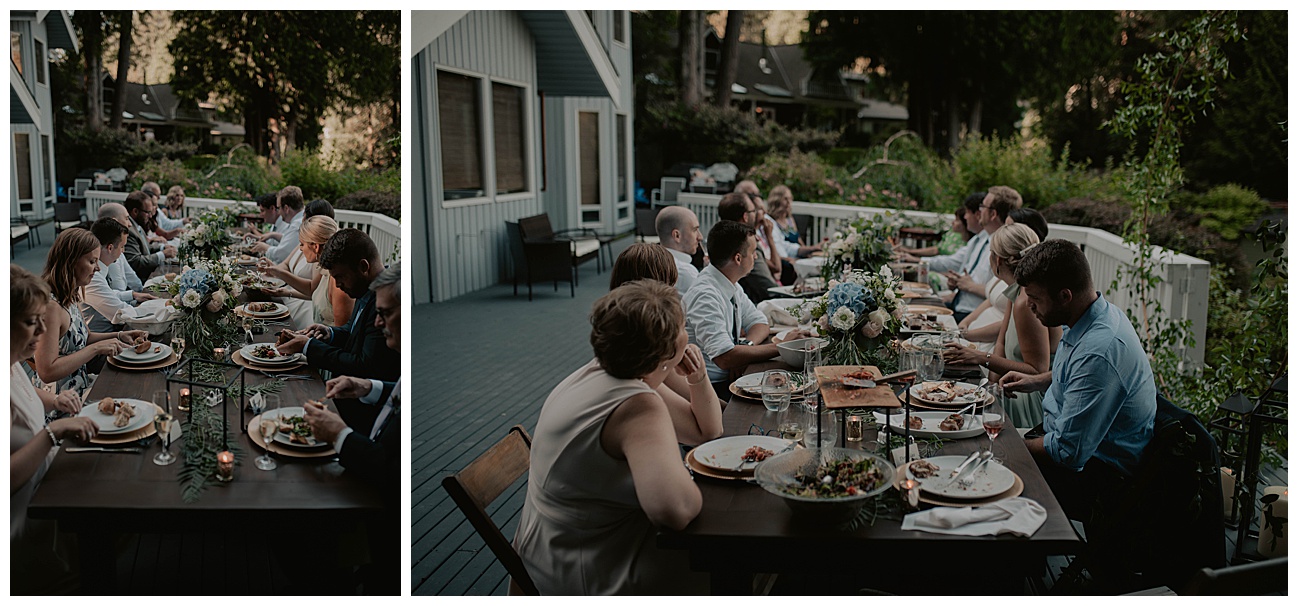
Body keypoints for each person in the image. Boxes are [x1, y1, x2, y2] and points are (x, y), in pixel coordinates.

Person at [514, 280, 709, 594]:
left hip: (543, 555)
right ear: (666, 350)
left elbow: (704, 431)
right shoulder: (640, 404)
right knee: (739, 561)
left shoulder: (590, 374)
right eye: (684, 326)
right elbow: (676, 510)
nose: (689, 333)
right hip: (589, 571)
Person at [998, 239, 1156, 520]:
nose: (1029, 307)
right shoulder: (1093, 314)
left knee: (988, 477)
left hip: (1098, 478)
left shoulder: (1100, 350)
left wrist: (1011, 444)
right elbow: (1076, 375)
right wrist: (1038, 381)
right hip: (1063, 441)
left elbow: (1068, 453)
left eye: (1035, 299)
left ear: (1065, 296)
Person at [304, 263, 400, 594]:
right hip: (368, 445)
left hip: (387, 522)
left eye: (386, 314)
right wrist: (367, 386)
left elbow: (387, 469)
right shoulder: (366, 294)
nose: (377, 322)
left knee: (306, 520)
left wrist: (338, 434)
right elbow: (398, 388)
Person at [11, 265, 101, 594]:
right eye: (30, 322)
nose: (40, 332)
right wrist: (53, 432)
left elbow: (22, 390)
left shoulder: (10, 363)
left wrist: (55, 401)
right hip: (25, 523)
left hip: (48, 485)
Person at [276, 228, 399, 430]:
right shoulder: (366, 288)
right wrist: (329, 333)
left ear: (363, 267)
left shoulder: (384, 305)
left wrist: (309, 347)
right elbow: (353, 329)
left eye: (340, 277)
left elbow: (364, 366)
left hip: (359, 417)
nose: (338, 284)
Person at [945, 224, 1061, 428]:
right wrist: (990, 391)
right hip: (1005, 387)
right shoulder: (1014, 288)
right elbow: (1001, 341)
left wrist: (981, 357)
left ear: (997, 260)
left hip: (1026, 401)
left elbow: (1037, 371)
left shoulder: (1027, 302)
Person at [608, 244, 723, 446]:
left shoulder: (624, 342)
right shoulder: (633, 370)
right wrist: (699, 374)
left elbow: (694, 399)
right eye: (670, 287)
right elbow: (707, 432)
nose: (676, 297)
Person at [684, 220, 807, 395]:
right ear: (738, 258)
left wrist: (745, 348)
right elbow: (724, 357)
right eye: (753, 252)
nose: (756, 257)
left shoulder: (728, 282)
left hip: (732, 378)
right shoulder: (706, 295)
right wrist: (783, 346)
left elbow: (759, 322)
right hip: (712, 388)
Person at [31, 229, 148, 395]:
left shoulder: (70, 294)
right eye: (92, 262)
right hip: (60, 402)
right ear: (71, 261)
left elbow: (86, 337)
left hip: (80, 386)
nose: (98, 269)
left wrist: (120, 336)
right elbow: (46, 372)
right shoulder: (50, 307)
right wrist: (96, 349)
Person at [941, 186, 1022, 322]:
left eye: (982, 206)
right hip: (958, 306)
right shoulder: (982, 238)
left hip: (973, 315)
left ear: (993, 214)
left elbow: (1005, 295)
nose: (979, 210)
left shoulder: (1005, 249)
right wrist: (957, 282)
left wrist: (970, 286)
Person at [260, 215, 353, 328]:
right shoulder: (324, 269)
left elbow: (342, 335)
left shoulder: (338, 283)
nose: (300, 248)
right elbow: (311, 290)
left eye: (302, 244)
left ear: (316, 247)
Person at [82, 217, 157, 333]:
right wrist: (158, 310)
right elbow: (121, 313)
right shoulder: (92, 276)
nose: (123, 251)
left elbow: (107, 293)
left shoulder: (100, 271)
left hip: (112, 332)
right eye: (122, 247)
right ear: (110, 248)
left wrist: (132, 294)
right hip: (102, 337)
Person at [716, 192, 778, 303]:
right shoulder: (747, 247)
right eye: (753, 211)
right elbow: (769, 289)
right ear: (745, 216)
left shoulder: (719, 242)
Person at [122, 191, 177, 279]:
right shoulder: (129, 230)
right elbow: (136, 262)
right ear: (135, 211)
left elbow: (145, 249)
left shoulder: (138, 225)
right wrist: (162, 254)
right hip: (142, 279)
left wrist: (162, 248)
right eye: (147, 212)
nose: (150, 216)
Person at [765, 185, 826, 258]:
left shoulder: (789, 219)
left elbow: (799, 240)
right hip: (786, 258)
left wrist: (809, 250)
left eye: (790, 199)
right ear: (777, 200)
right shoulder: (771, 222)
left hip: (798, 253)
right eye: (785, 199)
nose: (788, 202)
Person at [653, 206, 703, 295]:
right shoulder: (686, 272)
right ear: (677, 236)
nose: (700, 237)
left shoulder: (650, 262)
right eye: (695, 230)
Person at [96, 202, 146, 291]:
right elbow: (115, 290)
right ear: (115, 222)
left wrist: (142, 293)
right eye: (127, 218)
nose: (130, 224)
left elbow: (133, 279)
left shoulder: (119, 247)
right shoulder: (105, 253)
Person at [251, 185, 305, 264]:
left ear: (286, 208)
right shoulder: (298, 221)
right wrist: (273, 235)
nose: (278, 212)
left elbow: (282, 253)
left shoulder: (297, 224)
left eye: (279, 208)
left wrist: (265, 247)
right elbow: (290, 242)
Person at [896, 206, 973, 258]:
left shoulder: (969, 243)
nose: (953, 222)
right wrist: (910, 251)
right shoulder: (952, 234)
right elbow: (936, 249)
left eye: (957, 220)